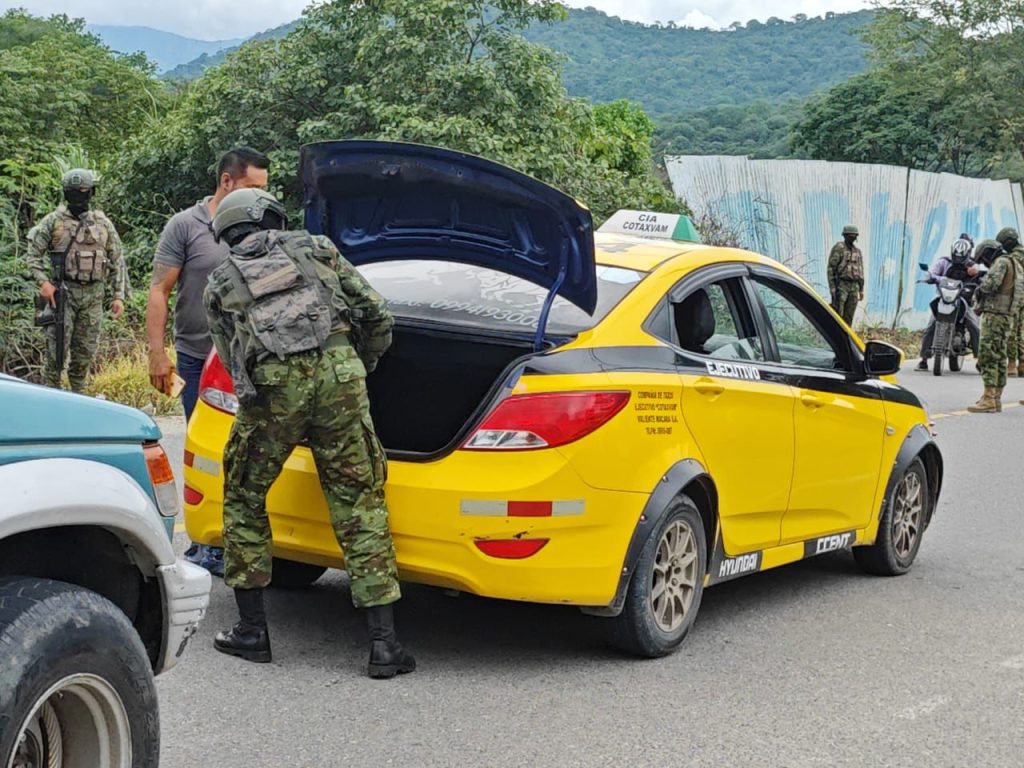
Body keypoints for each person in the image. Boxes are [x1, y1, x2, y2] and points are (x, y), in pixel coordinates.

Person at [204, 188, 415, 679]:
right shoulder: (317, 248)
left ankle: (253, 632)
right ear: (270, 217)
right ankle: (384, 646)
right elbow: (377, 313)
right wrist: (359, 363)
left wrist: (265, 400)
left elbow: (234, 362)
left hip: (275, 390)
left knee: (243, 496)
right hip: (341, 379)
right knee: (359, 503)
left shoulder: (219, 282)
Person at [146, 146, 270, 576]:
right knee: (206, 452)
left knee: (248, 454)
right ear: (227, 182)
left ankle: (240, 540)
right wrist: (157, 353)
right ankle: (208, 542)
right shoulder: (186, 226)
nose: (261, 199)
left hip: (252, 362)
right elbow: (160, 290)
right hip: (200, 359)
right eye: (254, 188)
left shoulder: (265, 228)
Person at [26, 169, 125, 392]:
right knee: (55, 356)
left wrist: (118, 296)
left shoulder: (102, 223)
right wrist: (44, 282)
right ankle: (50, 402)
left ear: (91, 192)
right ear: (65, 193)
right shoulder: (53, 222)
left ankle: (79, 399)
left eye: (84, 192)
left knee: (84, 355)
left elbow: (117, 260)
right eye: (74, 192)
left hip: (93, 297)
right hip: (63, 295)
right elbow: (32, 256)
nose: (79, 196)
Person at [967, 235, 1023, 413]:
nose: (984, 263)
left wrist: (979, 288)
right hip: (1008, 316)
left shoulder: (1001, 263)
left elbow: (990, 285)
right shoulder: (1015, 263)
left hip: (995, 316)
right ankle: (995, 398)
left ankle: (988, 398)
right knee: (999, 356)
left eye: (983, 259)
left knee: (989, 355)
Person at [915, 238, 981, 371]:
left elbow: (979, 273)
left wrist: (978, 276)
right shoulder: (943, 262)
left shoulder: (972, 266)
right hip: (943, 298)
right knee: (931, 326)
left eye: (961, 256)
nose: (958, 258)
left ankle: (981, 360)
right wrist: (932, 278)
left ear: (967, 253)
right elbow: (932, 273)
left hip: (962, 299)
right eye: (956, 255)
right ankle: (924, 359)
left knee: (974, 327)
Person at [999, 227, 1024, 378]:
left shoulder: (1013, 258)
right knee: (1021, 331)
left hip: (1017, 297)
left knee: (1012, 331)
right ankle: (1022, 364)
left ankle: (1012, 365)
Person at [828, 225, 864, 326]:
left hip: (854, 286)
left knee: (849, 316)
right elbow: (831, 269)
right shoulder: (839, 248)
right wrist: (833, 288)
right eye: (850, 235)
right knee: (838, 314)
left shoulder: (857, 252)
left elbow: (861, 271)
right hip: (841, 285)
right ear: (845, 236)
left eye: (854, 236)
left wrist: (861, 289)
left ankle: (846, 337)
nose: (852, 237)